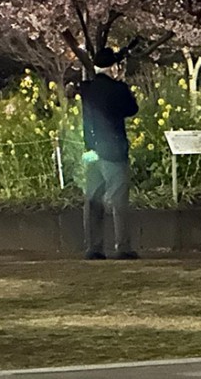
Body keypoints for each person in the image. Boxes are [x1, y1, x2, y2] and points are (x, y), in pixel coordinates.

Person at [80, 48, 140, 260]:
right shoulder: (118, 88)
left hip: (93, 150)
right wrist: (123, 85)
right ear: (113, 67)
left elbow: (86, 120)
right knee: (118, 200)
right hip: (114, 150)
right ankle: (122, 246)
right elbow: (132, 109)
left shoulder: (87, 89)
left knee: (93, 200)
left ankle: (93, 247)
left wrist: (89, 146)